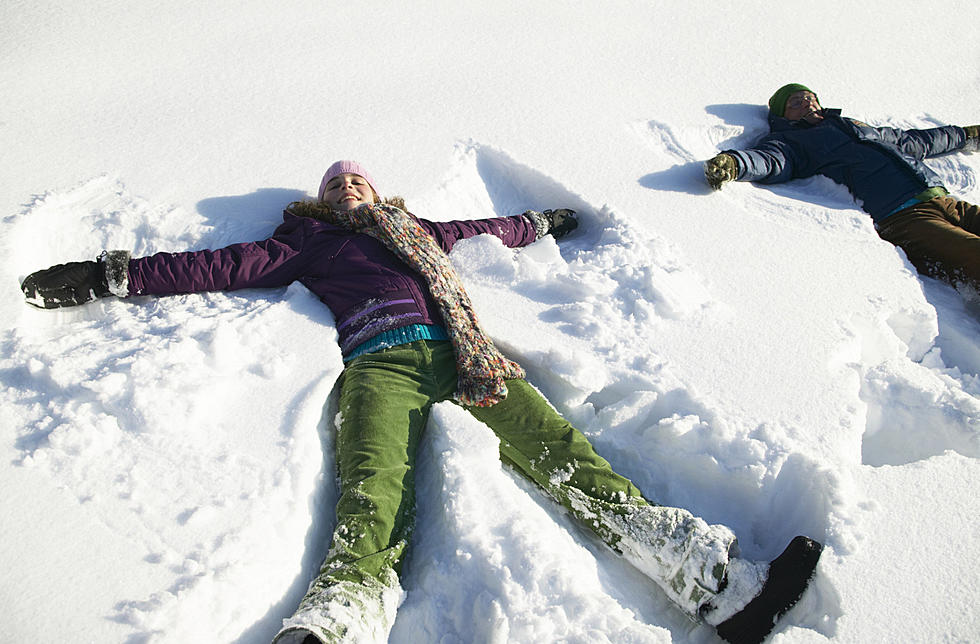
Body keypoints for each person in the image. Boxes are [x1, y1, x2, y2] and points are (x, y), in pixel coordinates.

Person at [21, 160, 821, 644]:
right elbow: (212, 267)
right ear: (322, 201)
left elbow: (491, 229)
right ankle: (332, 627)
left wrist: (542, 221)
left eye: (359, 179)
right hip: (379, 365)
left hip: (468, 358)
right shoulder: (304, 243)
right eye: (337, 185)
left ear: (377, 187)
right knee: (375, 494)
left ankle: (724, 590)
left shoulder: (420, 228)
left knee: (567, 458)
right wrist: (110, 275)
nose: (350, 189)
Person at [704, 83, 980, 291]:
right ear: (783, 115)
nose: (808, 104)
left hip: (946, 201)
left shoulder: (855, 127)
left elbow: (916, 141)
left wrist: (967, 136)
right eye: (797, 102)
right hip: (905, 217)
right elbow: (771, 160)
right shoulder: (792, 141)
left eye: (811, 99)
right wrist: (735, 163)